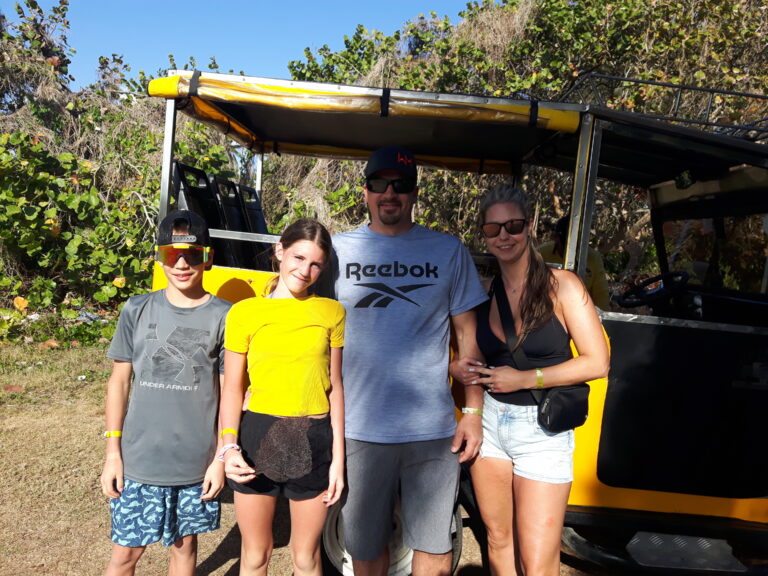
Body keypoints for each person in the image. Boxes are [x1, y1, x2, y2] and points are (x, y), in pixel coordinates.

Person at [330, 145, 488, 576]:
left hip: (431, 432)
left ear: (415, 193)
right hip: (358, 429)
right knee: (365, 550)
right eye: (379, 184)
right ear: (364, 191)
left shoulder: (448, 251)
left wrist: (472, 411)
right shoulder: (336, 251)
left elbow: (468, 337)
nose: (390, 194)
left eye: (400, 186)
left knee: (435, 549)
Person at [451, 185, 609, 576]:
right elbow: (470, 357)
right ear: (483, 235)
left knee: (538, 560)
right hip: (491, 424)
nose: (504, 235)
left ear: (530, 226)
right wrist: (453, 368)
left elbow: (597, 362)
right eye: (493, 229)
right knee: (499, 539)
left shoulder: (563, 286)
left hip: (543, 431)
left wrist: (525, 378)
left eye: (513, 225)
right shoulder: (483, 294)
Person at [100, 209, 231, 576]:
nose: (183, 264)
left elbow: (229, 394)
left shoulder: (226, 316)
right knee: (124, 556)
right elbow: (119, 382)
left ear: (209, 258)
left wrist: (220, 459)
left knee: (184, 548)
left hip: (195, 463)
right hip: (139, 460)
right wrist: (113, 453)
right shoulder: (137, 309)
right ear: (160, 257)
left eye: (194, 255)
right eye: (173, 254)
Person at [219, 218, 345, 576]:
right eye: (299, 257)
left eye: (316, 263)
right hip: (256, 438)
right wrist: (228, 447)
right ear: (279, 251)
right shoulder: (244, 313)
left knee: (306, 558)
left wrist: (338, 461)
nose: (305, 270)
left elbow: (335, 386)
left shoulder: (332, 313)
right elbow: (232, 387)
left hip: (315, 439)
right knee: (256, 555)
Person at [538, 214, 611, 309]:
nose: (571, 251)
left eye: (576, 246)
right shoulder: (540, 254)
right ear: (555, 238)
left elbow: (601, 297)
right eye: (566, 245)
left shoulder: (593, 258)